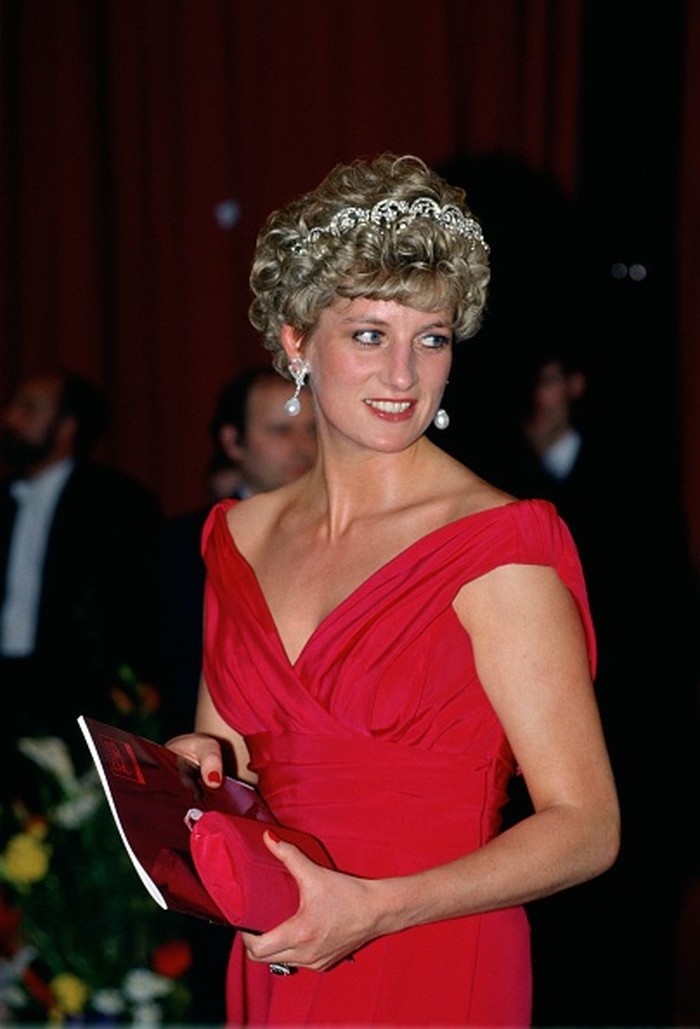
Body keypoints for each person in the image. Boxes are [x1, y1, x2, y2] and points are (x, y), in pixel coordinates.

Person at [166, 153, 619, 1027]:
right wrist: (199, 767)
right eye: (370, 333)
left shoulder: (499, 542)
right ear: (297, 341)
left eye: (432, 336)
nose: (405, 376)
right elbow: (239, 767)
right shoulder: (238, 538)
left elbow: (588, 825)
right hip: (285, 946)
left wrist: (373, 907)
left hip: (437, 952)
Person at [473, 342, 700, 1026]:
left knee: (634, 974)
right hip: (531, 781)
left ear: (573, 383)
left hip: (637, 767)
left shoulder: (634, 481)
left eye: (543, 379)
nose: (533, 399)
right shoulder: (491, 484)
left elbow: (669, 635)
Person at [0, 368, 163, 799]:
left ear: (68, 425)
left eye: (29, 408)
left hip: (77, 696)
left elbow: (137, 613)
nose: (10, 417)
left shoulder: (116, 503)